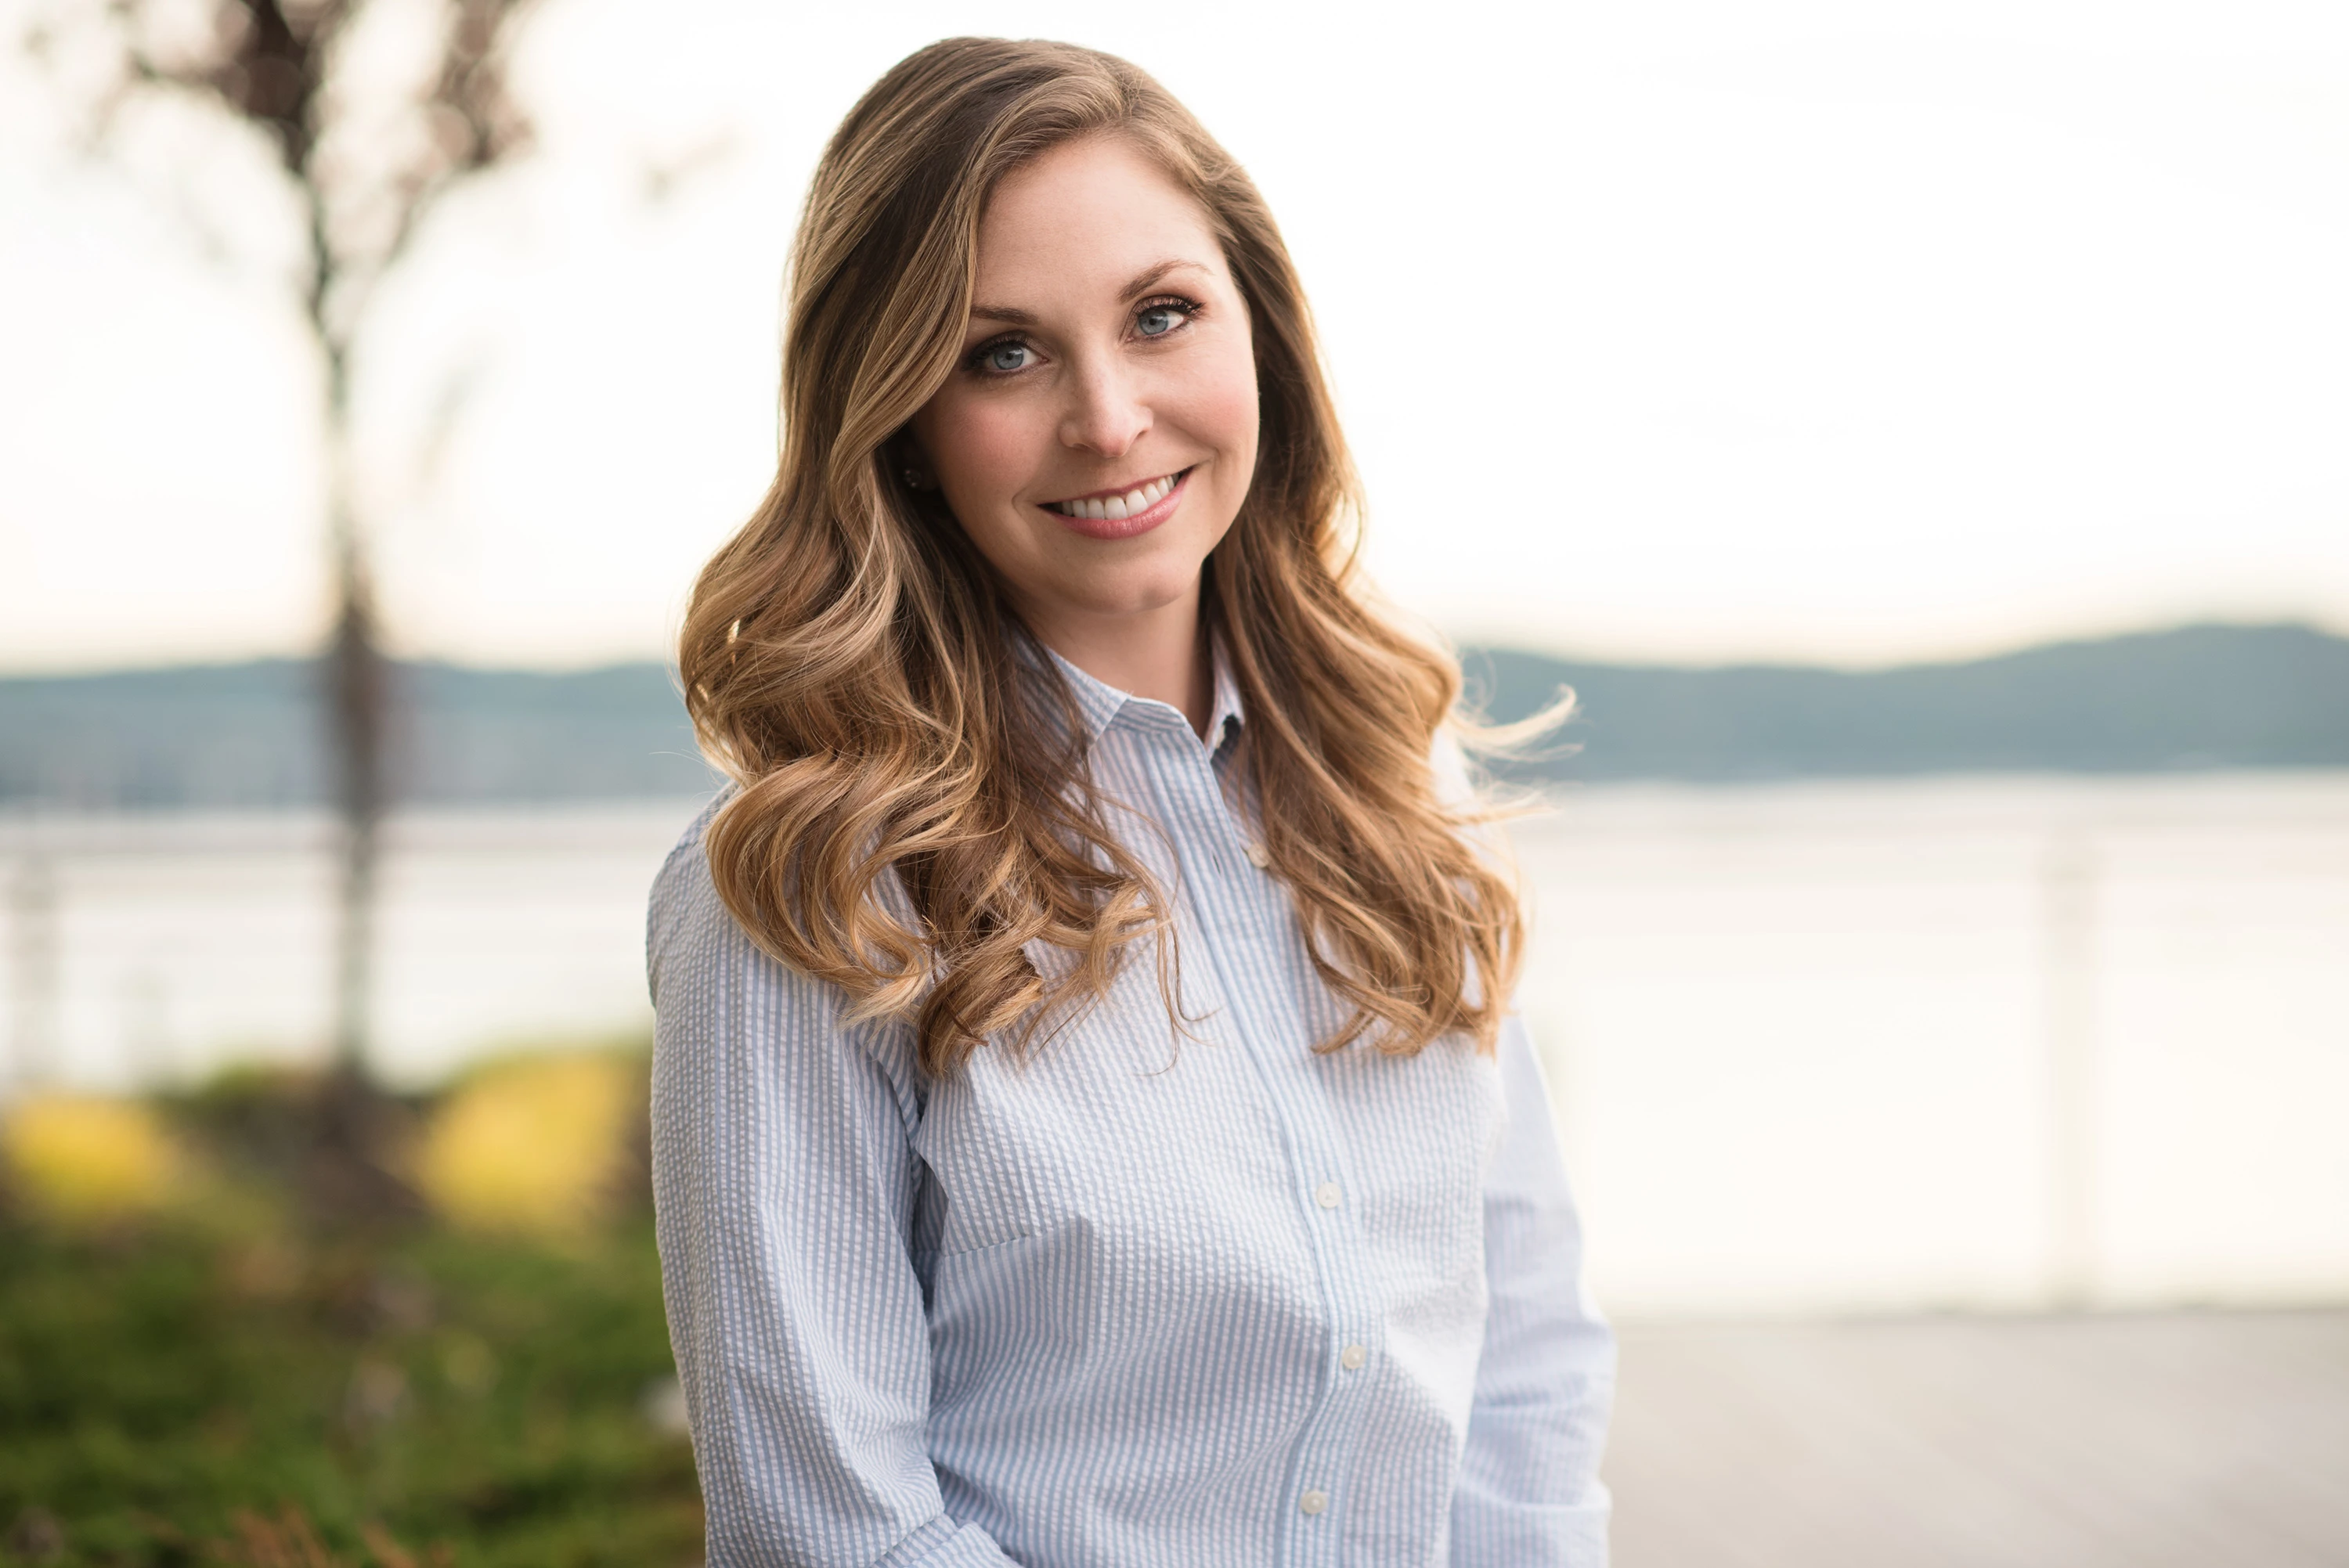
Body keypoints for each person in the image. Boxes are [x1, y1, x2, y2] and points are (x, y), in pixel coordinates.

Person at [648, 36, 1614, 1567]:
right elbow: (827, 1525)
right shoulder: (807, 885)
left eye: (1162, 314)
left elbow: (1526, 1359)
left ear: (1260, 335)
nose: (1109, 417)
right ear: (897, 419)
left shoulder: (1399, 782)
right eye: (1002, 352)